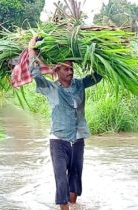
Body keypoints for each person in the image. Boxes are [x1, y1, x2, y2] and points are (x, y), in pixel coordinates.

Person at [28, 36, 102, 210]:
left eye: (72, 68)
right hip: (58, 140)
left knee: (75, 175)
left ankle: (73, 205)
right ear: (57, 70)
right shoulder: (50, 88)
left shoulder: (80, 84)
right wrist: (32, 49)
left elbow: (98, 76)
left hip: (78, 138)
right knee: (61, 178)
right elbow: (35, 73)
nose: (71, 72)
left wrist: (97, 52)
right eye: (67, 69)